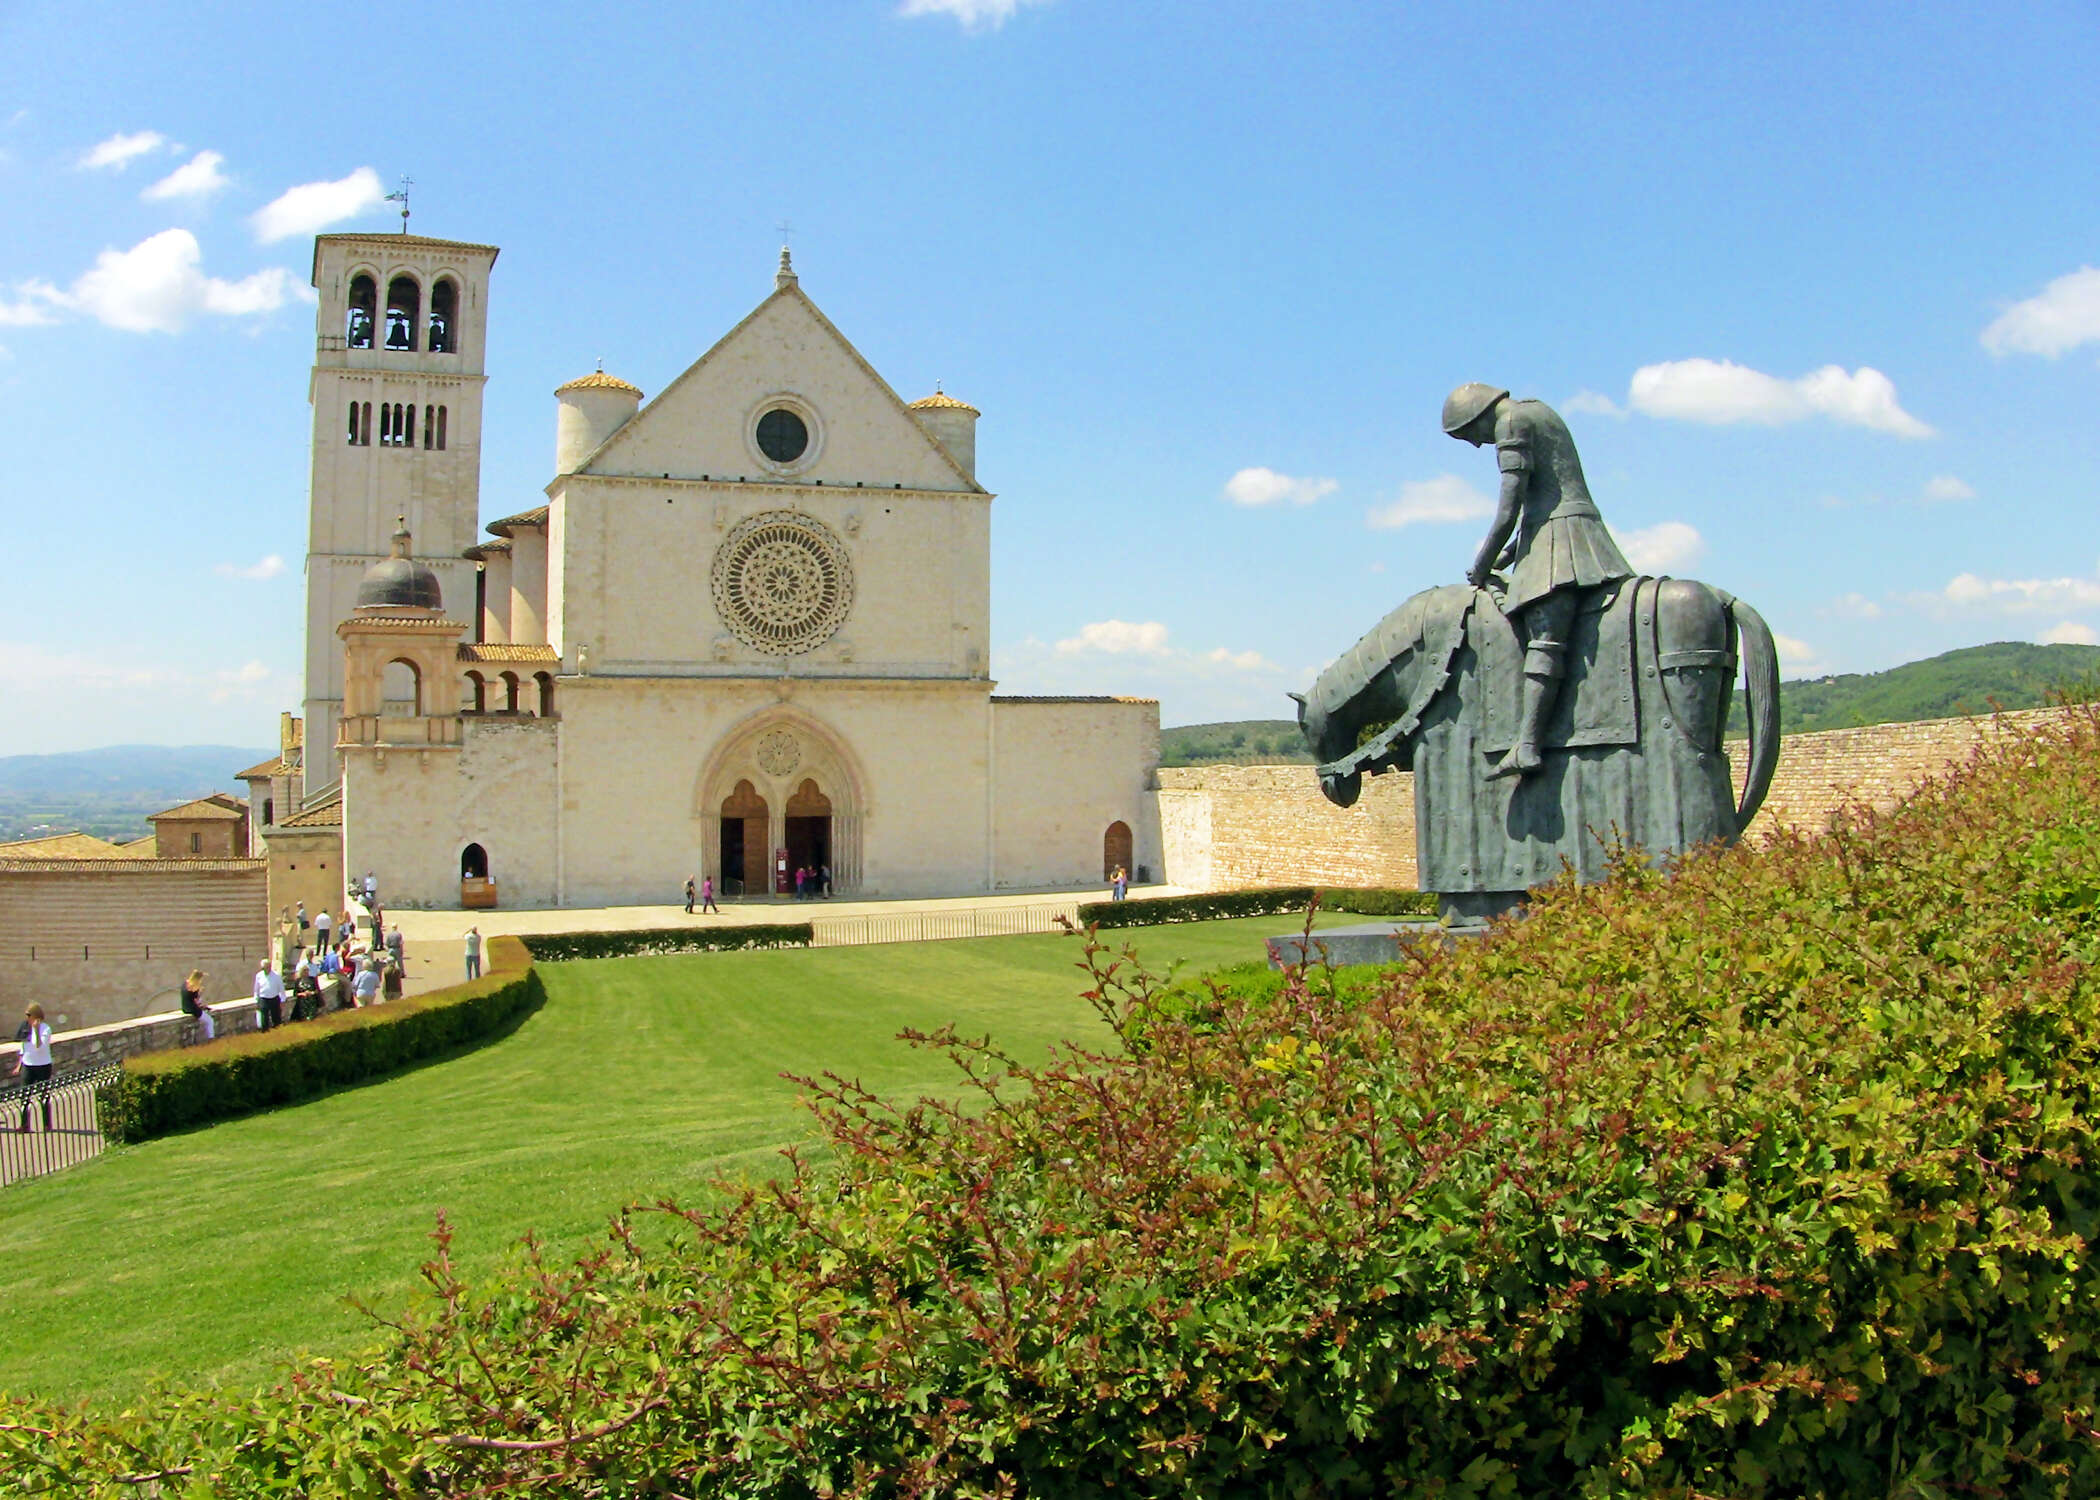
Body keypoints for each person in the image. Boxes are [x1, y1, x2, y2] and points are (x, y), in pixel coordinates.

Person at [1444, 382, 1634, 780]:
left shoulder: (1510, 422)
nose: (1475, 444)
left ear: (1478, 415)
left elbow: (1509, 508)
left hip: (1563, 539)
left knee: (1544, 637)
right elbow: (1541, 507)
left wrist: (1481, 564)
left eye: (1468, 434)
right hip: (1558, 531)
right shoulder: (1537, 410)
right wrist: (1505, 558)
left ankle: (1527, 744)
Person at [12, 1004, 53, 1132]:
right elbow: (23, 1047)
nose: (27, 1018)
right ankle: (24, 1124)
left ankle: (47, 1124)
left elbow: (39, 1047)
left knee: (44, 1095)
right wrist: (19, 1064)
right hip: (28, 1065)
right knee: (24, 1095)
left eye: (29, 1015)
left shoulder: (45, 1029)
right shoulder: (25, 1028)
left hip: (43, 1065)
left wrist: (36, 1030)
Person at [253, 959, 285, 1031]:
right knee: (264, 1018)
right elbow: (256, 989)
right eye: (264, 967)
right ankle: (265, 1031)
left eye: (268, 967)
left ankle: (277, 1031)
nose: (267, 969)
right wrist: (256, 999)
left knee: (276, 1017)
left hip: (274, 998)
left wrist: (283, 1000)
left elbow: (281, 988)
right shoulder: (259, 976)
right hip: (263, 999)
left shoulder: (276, 976)